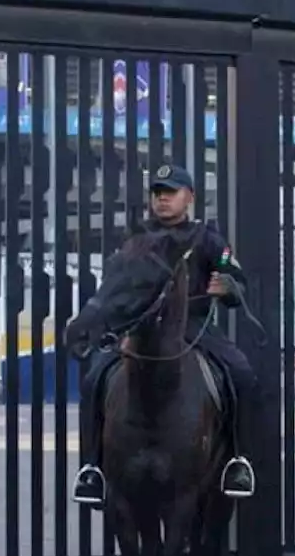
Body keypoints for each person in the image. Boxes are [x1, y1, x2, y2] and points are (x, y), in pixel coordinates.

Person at [71, 164, 257, 505]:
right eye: (158, 192)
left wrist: (229, 287)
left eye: (170, 191)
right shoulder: (136, 240)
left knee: (242, 374)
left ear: (190, 197)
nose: (162, 198)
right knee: (94, 377)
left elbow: (239, 281)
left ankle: (237, 462)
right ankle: (93, 466)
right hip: (140, 328)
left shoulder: (208, 239)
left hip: (193, 327)